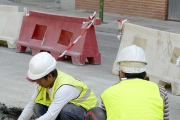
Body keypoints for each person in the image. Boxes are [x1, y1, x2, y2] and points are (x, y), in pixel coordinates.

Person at [85, 45, 169, 120]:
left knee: (96, 112)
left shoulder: (108, 92)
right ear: (145, 74)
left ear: (121, 73)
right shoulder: (160, 90)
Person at [18, 52, 98, 120]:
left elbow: (51, 115)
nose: (37, 83)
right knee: (38, 106)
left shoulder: (64, 88)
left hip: (89, 113)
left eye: (38, 80)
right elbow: (31, 105)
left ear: (49, 76)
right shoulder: (43, 83)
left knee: (67, 111)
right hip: (67, 107)